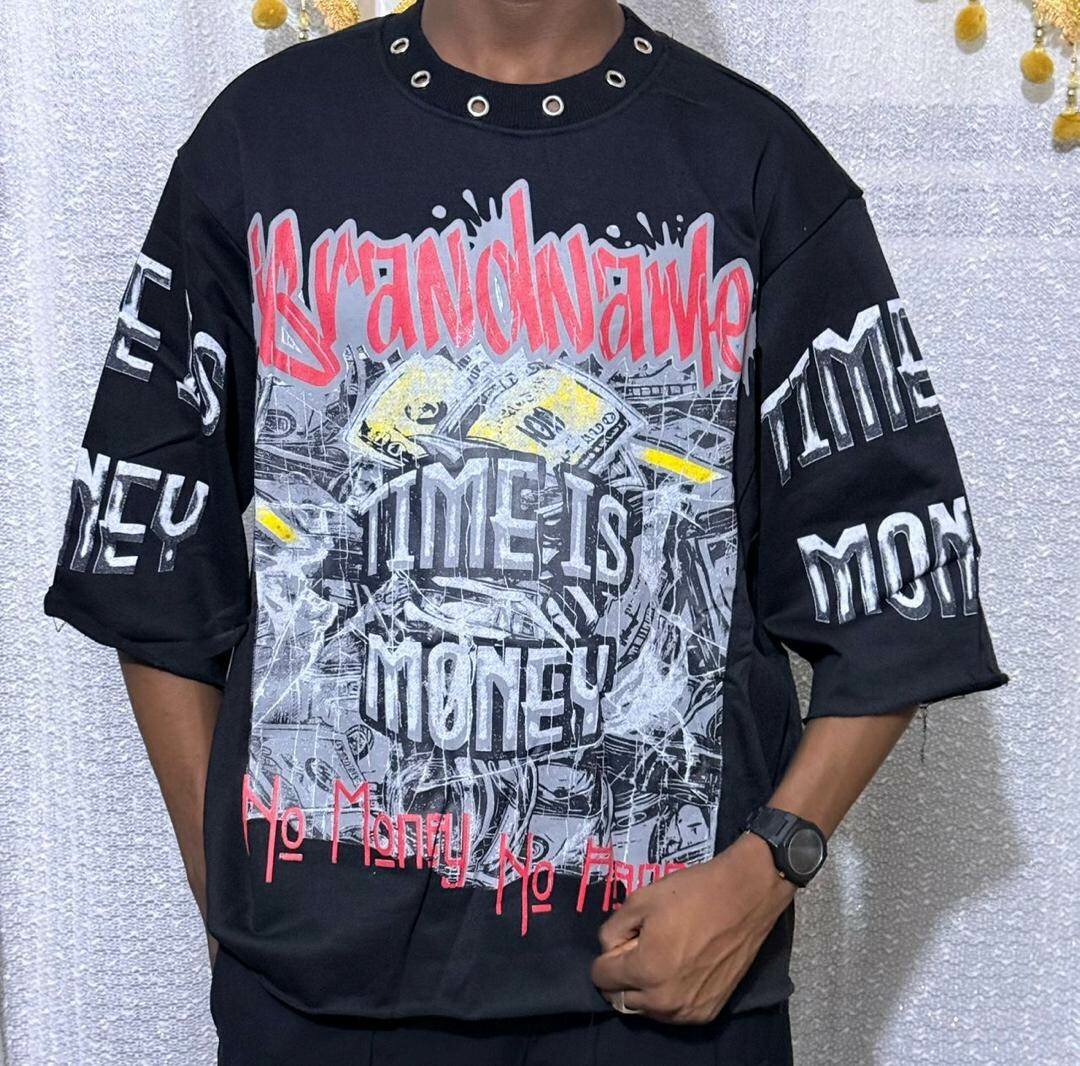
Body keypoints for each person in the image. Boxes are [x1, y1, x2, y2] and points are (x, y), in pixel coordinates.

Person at [43, 0, 1008, 1062]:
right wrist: (228, 895)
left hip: (658, 1000)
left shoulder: (753, 164)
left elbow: (898, 584)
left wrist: (766, 870)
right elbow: (150, 557)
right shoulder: (262, 141)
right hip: (321, 1007)